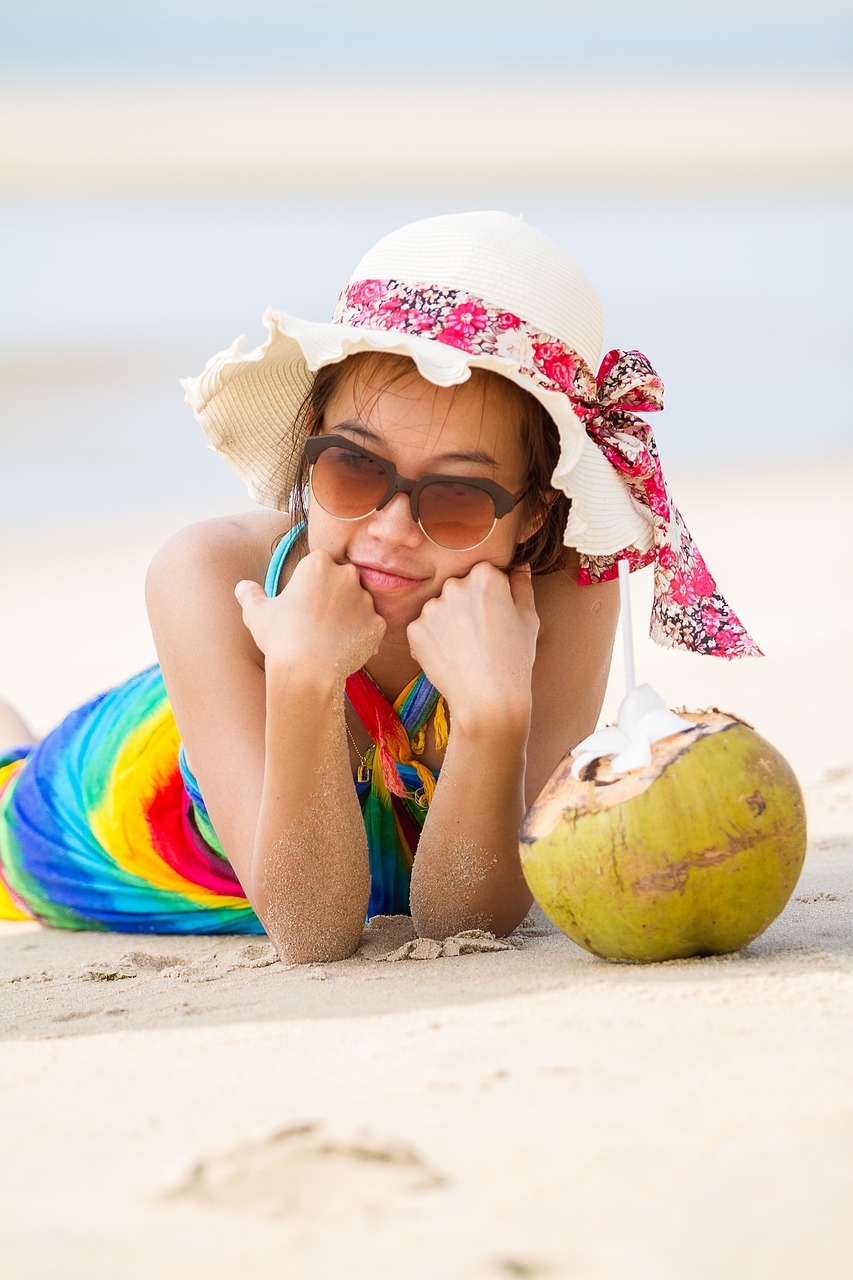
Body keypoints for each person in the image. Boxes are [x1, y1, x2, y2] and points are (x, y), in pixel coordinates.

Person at [0, 211, 757, 963]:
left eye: (457, 496)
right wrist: (301, 678)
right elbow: (309, 931)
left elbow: (468, 918)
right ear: (307, 448)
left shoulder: (569, 595)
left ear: (534, 513)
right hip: (115, 810)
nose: (391, 528)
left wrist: (495, 716)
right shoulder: (207, 574)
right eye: (353, 467)